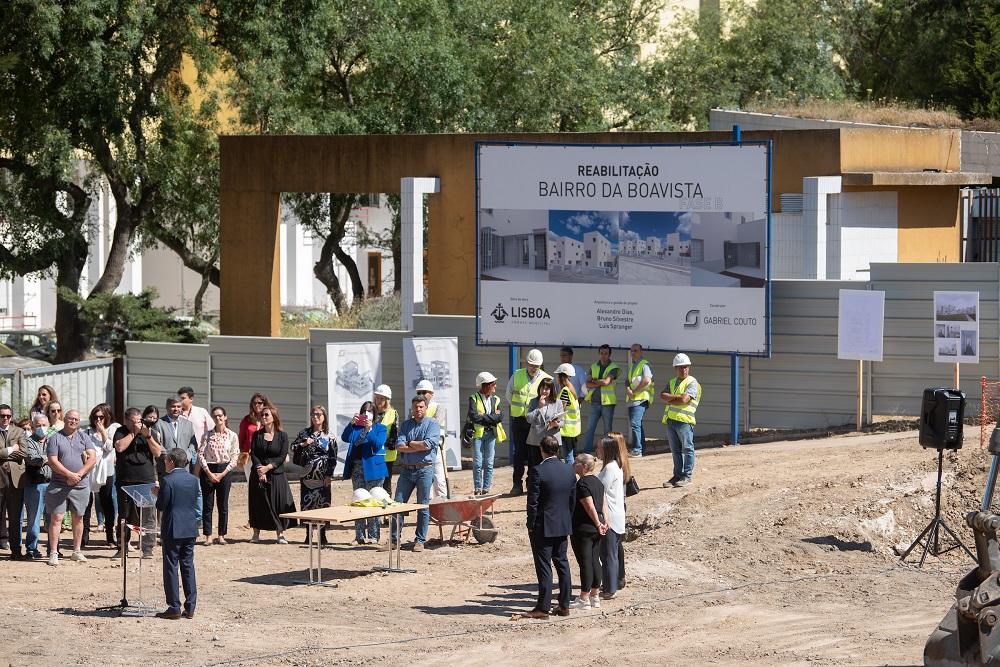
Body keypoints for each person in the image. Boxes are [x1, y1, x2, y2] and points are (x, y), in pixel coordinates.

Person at [524, 435, 576, 619]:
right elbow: (572, 500)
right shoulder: (569, 470)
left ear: (542, 449)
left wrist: (530, 524)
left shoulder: (538, 471)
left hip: (543, 525)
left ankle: (543, 607)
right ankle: (564, 604)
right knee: (562, 563)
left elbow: (533, 502)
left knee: (544, 566)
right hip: (562, 523)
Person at [388, 395, 440, 552]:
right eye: (415, 407)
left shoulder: (432, 425)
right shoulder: (406, 425)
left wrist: (409, 443)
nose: (417, 409)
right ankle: (393, 540)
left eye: (421, 407)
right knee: (397, 505)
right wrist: (416, 445)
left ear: (426, 408)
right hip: (406, 470)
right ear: (412, 408)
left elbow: (428, 445)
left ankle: (420, 540)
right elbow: (399, 446)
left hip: (425, 469)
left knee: (422, 505)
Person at [152, 448, 199, 620]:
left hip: (173, 528)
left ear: (171, 461)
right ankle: (191, 606)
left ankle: (174, 607)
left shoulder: (168, 480)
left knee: (171, 567)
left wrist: (158, 494)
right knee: (188, 566)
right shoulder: (193, 480)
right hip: (189, 527)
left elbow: (161, 505)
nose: (165, 463)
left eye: (166, 461)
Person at [44, 410, 96, 565]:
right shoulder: (55, 438)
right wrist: (69, 475)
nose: (73, 421)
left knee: (78, 517)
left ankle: (76, 551)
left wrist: (78, 475)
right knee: (56, 518)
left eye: (76, 419)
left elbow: (92, 458)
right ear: (64, 419)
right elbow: (52, 461)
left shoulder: (84, 437)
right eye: (71, 419)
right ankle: (53, 552)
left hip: (80, 485)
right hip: (59, 484)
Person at [114, 406, 162, 558]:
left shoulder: (149, 431)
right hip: (126, 481)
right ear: (127, 421)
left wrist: (147, 436)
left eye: (139, 421)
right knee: (124, 516)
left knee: (148, 517)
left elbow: (158, 452)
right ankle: (122, 548)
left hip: (146, 480)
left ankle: (148, 549)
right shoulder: (121, 431)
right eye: (133, 421)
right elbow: (120, 447)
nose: (138, 424)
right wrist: (133, 432)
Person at [505, 348, 551, 496]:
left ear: (540, 365)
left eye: (536, 366)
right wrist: (519, 410)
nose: (533, 368)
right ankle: (517, 484)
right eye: (531, 365)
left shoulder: (545, 378)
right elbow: (508, 394)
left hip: (536, 422)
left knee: (534, 453)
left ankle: (532, 482)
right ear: (526, 363)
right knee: (519, 453)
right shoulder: (517, 375)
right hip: (519, 420)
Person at [248, 404, 297, 544]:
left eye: (266, 415)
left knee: (278, 503)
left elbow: (282, 456)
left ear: (273, 417)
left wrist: (267, 468)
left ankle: (280, 533)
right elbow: (254, 454)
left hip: (276, 474)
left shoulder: (283, 436)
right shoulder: (257, 435)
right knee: (258, 502)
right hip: (258, 474)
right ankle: (256, 533)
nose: (263, 417)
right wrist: (259, 469)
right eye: (262, 415)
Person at [341, 401, 387, 546]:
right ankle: (359, 536)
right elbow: (344, 437)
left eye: (370, 411)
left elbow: (377, 444)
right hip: (357, 469)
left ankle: (374, 536)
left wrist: (370, 430)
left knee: (374, 501)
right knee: (359, 501)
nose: (367, 414)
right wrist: (351, 423)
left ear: (374, 414)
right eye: (364, 411)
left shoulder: (380, 428)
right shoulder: (355, 428)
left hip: (374, 470)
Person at [291, 405, 337, 544]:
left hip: (323, 475)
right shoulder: (304, 433)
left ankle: (322, 535)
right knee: (307, 503)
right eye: (313, 414)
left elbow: (333, 457)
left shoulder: (329, 436)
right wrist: (304, 444)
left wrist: (329, 475)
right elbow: (292, 447)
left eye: (318, 414)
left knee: (322, 503)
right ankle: (308, 534)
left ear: (324, 417)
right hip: (307, 475)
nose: (315, 417)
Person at [568, 453, 608, 610]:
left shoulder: (582, 484)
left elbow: (589, 506)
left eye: (576, 462)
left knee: (585, 563)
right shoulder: (598, 481)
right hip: (597, 528)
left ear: (584, 466)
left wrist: (599, 523)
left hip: (584, 528)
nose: (573, 463)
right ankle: (595, 595)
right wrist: (605, 521)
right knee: (594, 561)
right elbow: (604, 502)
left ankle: (584, 599)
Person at [198, 406, 239, 546]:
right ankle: (208, 535)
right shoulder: (207, 435)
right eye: (215, 416)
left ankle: (221, 535)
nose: (218, 418)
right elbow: (201, 455)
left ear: (225, 417)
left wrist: (222, 474)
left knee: (223, 505)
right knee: (207, 504)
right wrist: (208, 473)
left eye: (220, 415)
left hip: (224, 469)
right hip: (208, 469)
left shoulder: (232, 435)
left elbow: (235, 456)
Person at [660, 353, 701, 488]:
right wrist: (677, 397)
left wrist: (672, 399)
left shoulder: (692, 382)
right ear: (675, 368)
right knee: (675, 450)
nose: (684, 370)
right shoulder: (672, 382)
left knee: (687, 449)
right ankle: (677, 475)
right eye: (681, 367)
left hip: (685, 421)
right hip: (671, 420)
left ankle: (686, 476)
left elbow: (684, 400)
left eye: (686, 367)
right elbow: (662, 396)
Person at [597, 432, 630, 599]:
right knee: (612, 553)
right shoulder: (615, 466)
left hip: (609, 516)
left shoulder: (610, 468)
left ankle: (610, 589)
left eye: (599, 448)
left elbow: (598, 490)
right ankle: (612, 584)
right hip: (615, 514)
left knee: (608, 554)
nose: (597, 451)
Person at [82, 404, 119, 549]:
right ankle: (84, 536)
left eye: (101, 417)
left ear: (107, 417)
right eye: (96, 417)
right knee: (86, 503)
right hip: (90, 470)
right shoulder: (87, 432)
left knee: (107, 503)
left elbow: (109, 448)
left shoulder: (112, 429)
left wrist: (103, 432)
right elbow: (83, 449)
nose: (98, 420)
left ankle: (110, 536)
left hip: (107, 472)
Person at [468, 372, 503, 496]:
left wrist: (483, 415)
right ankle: (477, 488)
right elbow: (474, 417)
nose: (495, 386)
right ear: (486, 385)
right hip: (477, 434)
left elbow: (500, 418)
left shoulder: (496, 399)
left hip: (491, 434)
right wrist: (492, 416)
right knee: (477, 463)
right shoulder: (474, 398)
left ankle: (486, 488)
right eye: (493, 384)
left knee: (489, 462)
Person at [0, 403, 27, 559]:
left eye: (8, 416)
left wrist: (3, 454)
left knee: (16, 516)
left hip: (16, 479)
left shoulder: (18, 431)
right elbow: (16, 451)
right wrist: (11, 449)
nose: (5, 418)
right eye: (2, 416)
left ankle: (16, 550)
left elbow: (23, 451)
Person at [23, 413, 52, 559]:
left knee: (53, 519)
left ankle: (53, 549)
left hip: (52, 484)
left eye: (44, 425)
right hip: (35, 485)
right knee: (34, 519)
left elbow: (60, 456)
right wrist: (50, 458)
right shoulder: (28, 441)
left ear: (49, 426)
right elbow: (33, 459)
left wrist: (47, 459)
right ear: (33, 427)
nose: (41, 428)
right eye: (38, 425)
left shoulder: (53, 440)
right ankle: (31, 549)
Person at [583, 344, 618, 456]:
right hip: (594, 402)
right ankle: (587, 452)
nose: (603, 356)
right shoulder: (593, 366)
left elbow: (606, 382)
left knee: (607, 430)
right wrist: (599, 382)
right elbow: (587, 384)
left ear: (609, 355)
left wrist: (595, 380)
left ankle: (607, 453)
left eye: (605, 353)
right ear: (599, 354)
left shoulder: (613, 367)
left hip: (608, 403)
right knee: (589, 429)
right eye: (601, 353)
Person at [416, 380, 448, 499]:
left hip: (436, 449)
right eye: (419, 392)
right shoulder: (414, 409)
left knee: (439, 479)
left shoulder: (438, 407)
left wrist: (421, 424)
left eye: (424, 392)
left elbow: (436, 422)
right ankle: (427, 508)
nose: (421, 395)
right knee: (425, 481)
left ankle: (443, 503)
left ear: (431, 394)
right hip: (421, 449)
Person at [525, 378, 564, 468]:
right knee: (535, 466)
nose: (543, 391)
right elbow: (529, 419)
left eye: (547, 389)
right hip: (536, 440)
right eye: (542, 388)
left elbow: (562, 422)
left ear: (551, 390)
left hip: (552, 440)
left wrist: (556, 424)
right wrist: (539, 407)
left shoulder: (558, 402)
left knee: (552, 467)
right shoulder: (533, 401)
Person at [625, 344, 654, 458]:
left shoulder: (644, 364)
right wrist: (628, 388)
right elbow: (627, 380)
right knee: (638, 425)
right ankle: (641, 448)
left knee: (635, 424)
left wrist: (635, 391)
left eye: (636, 350)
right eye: (631, 350)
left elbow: (647, 380)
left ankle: (637, 450)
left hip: (640, 399)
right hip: (633, 399)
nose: (633, 352)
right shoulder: (633, 366)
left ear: (641, 352)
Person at [374, 385, 399, 498]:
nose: (378, 401)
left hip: (386, 455)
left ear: (387, 400)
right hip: (372, 454)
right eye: (377, 397)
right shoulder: (370, 412)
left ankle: (387, 513)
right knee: (374, 484)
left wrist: (382, 444)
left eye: (381, 398)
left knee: (386, 484)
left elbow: (394, 434)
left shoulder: (393, 413)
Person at [554, 364, 581, 464]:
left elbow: (561, 410)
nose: (556, 377)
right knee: (569, 456)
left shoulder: (565, 391)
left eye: (557, 375)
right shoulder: (571, 389)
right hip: (572, 430)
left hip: (566, 430)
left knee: (568, 457)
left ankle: (571, 477)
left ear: (561, 376)